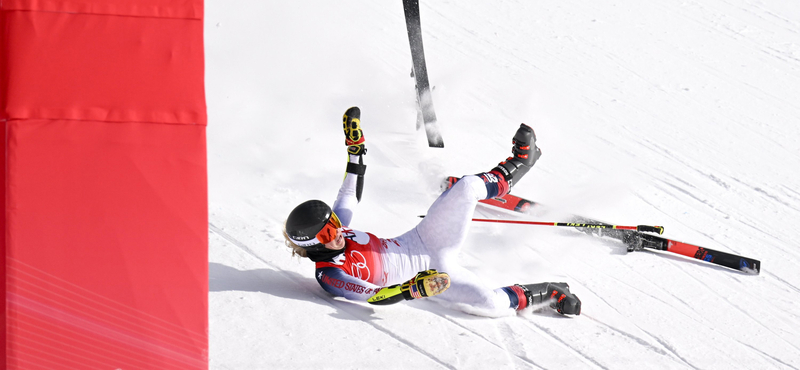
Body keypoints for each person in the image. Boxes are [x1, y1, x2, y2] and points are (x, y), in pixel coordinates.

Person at [283, 107, 581, 317]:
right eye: (327, 233)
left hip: (425, 239)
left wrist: (355, 147)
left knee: (465, 188)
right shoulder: (331, 274)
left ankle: (519, 164)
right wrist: (414, 289)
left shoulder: (341, 233)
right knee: (489, 304)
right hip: (431, 276)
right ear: (312, 245)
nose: (337, 233)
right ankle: (549, 292)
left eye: (335, 224)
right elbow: (374, 295)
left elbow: (350, 191)